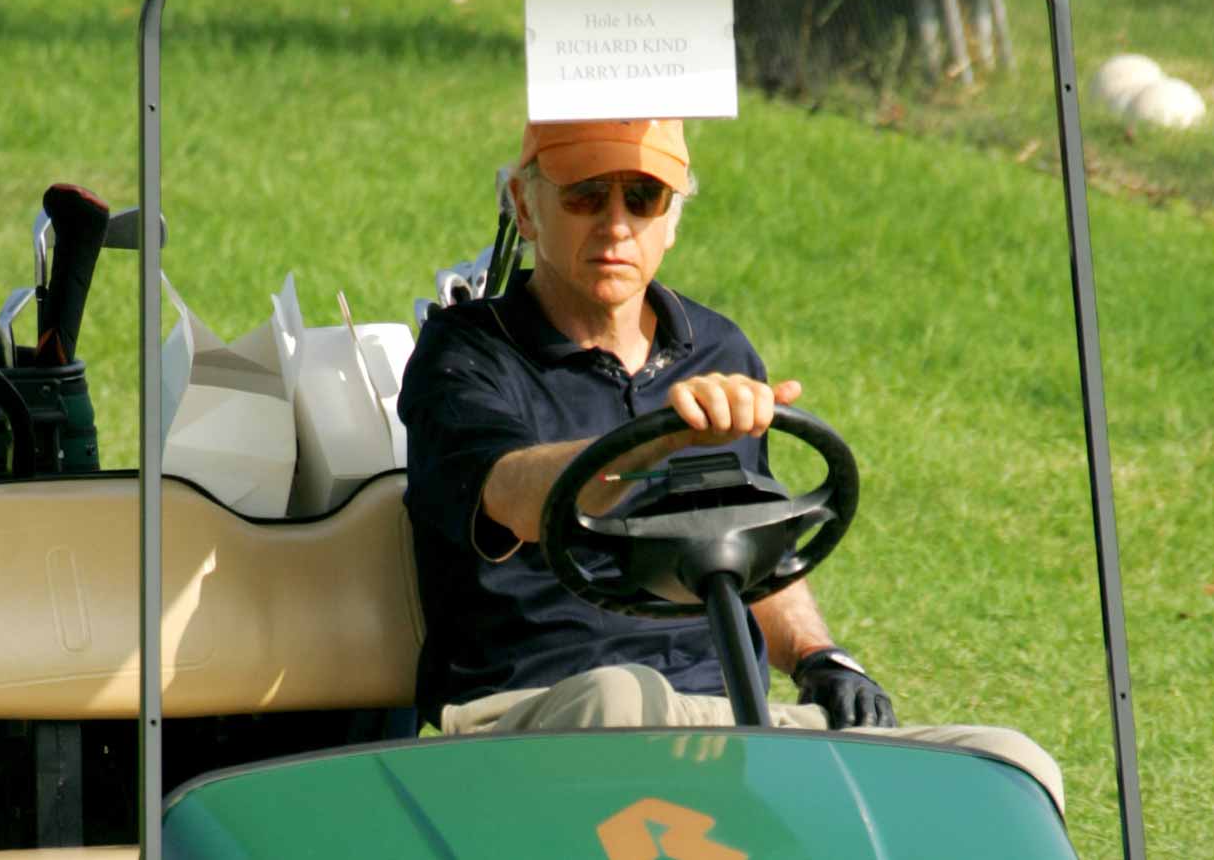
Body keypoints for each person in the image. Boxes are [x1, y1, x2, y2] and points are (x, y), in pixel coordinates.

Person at [397, 118, 1064, 814]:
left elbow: (748, 544)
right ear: (525, 206)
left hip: (720, 716)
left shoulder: (717, 349)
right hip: (535, 717)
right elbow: (513, 494)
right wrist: (659, 443)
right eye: (586, 195)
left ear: (673, 220)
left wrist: (820, 659)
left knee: (1011, 770)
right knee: (624, 698)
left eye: (644, 198)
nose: (617, 225)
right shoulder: (466, 354)